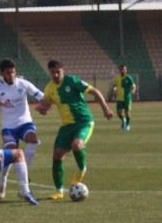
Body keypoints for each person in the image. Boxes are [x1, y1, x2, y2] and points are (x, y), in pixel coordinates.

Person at [35, 60, 114, 200]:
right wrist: (42, 109)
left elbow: (95, 91)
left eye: (57, 72)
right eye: (52, 72)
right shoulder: (49, 88)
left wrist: (106, 109)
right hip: (66, 126)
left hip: (84, 122)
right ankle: (59, 191)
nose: (55, 74)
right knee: (57, 155)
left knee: (76, 145)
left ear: (62, 70)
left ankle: (82, 169)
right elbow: (45, 109)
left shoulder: (72, 80)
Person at [0, 59, 44, 199]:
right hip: (8, 127)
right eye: (7, 73)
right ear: (2, 73)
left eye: (13, 72)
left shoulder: (23, 84)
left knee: (32, 139)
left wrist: (45, 106)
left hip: (25, 122)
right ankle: (2, 178)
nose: (11, 75)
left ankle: (25, 177)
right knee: (10, 154)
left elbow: (41, 96)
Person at [112, 64, 137, 130]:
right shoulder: (117, 78)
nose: (122, 71)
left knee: (127, 112)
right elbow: (114, 85)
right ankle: (124, 119)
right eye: (121, 69)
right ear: (119, 70)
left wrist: (133, 90)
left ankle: (128, 125)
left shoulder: (129, 78)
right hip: (119, 98)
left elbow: (133, 85)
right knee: (118, 113)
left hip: (127, 98)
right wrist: (114, 88)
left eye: (124, 69)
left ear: (126, 70)